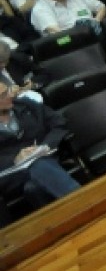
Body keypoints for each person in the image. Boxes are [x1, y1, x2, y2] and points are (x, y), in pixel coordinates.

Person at [0, 81, 80, 218]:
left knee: (33, 188)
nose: (10, 94)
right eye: (3, 95)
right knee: (38, 165)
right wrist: (15, 158)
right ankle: (83, 201)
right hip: (11, 174)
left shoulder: (27, 104)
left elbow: (59, 124)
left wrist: (45, 145)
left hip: (45, 159)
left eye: (8, 90)